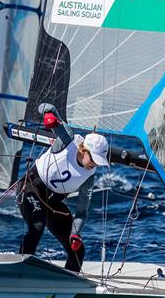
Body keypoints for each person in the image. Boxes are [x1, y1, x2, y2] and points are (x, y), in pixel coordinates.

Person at [17, 102, 109, 272]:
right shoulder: (68, 139)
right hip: (30, 187)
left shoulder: (89, 177)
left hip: (53, 202)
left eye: (99, 162)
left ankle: (69, 286)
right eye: (94, 159)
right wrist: (49, 117)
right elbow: (46, 106)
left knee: (78, 251)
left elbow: (82, 212)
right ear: (84, 150)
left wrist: (75, 233)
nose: (95, 164)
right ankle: (19, 272)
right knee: (37, 225)